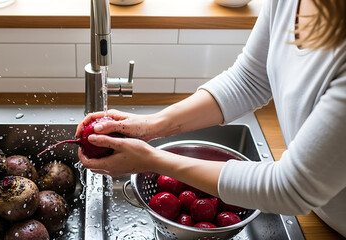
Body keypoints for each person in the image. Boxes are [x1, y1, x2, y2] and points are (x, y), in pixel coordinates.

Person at [76, 0, 346, 236]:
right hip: (319, 209)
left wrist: (150, 160)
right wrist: (151, 126)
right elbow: (250, 80)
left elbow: (289, 187)